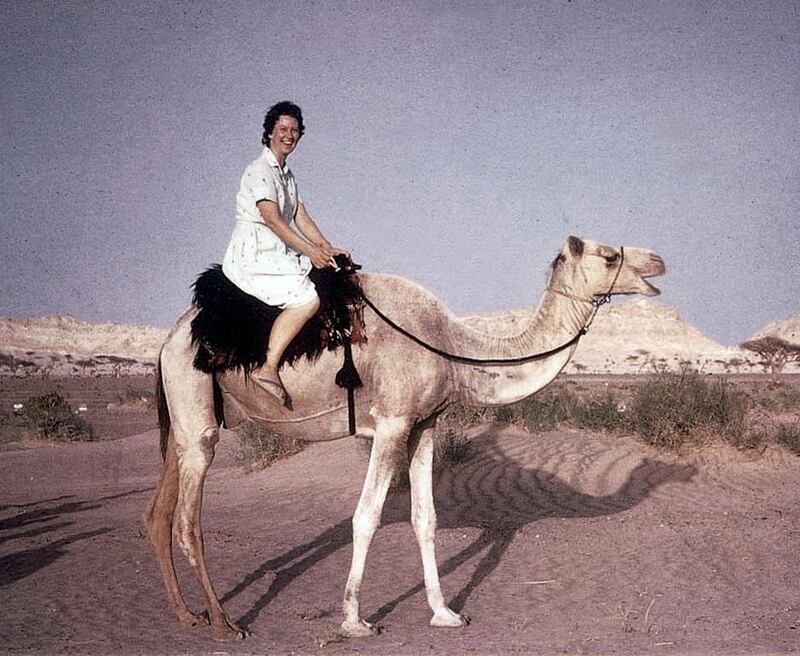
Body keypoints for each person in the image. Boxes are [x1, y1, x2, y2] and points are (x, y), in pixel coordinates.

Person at [221, 101, 347, 404]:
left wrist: (326, 248)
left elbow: (301, 216)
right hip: (255, 251)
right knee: (307, 298)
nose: (288, 135)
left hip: (278, 247)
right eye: (283, 129)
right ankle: (268, 366)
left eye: (294, 131)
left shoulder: (288, 176)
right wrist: (310, 251)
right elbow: (273, 219)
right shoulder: (259, 170)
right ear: (269, 134)